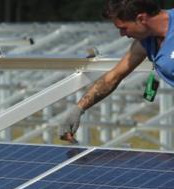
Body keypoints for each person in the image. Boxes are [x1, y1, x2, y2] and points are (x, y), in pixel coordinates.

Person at [59, 0, 174, 143]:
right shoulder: (146, 41)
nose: (122, 34)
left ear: (141, 19)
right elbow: (113, 76)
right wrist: (78, 109)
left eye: (124, 28)